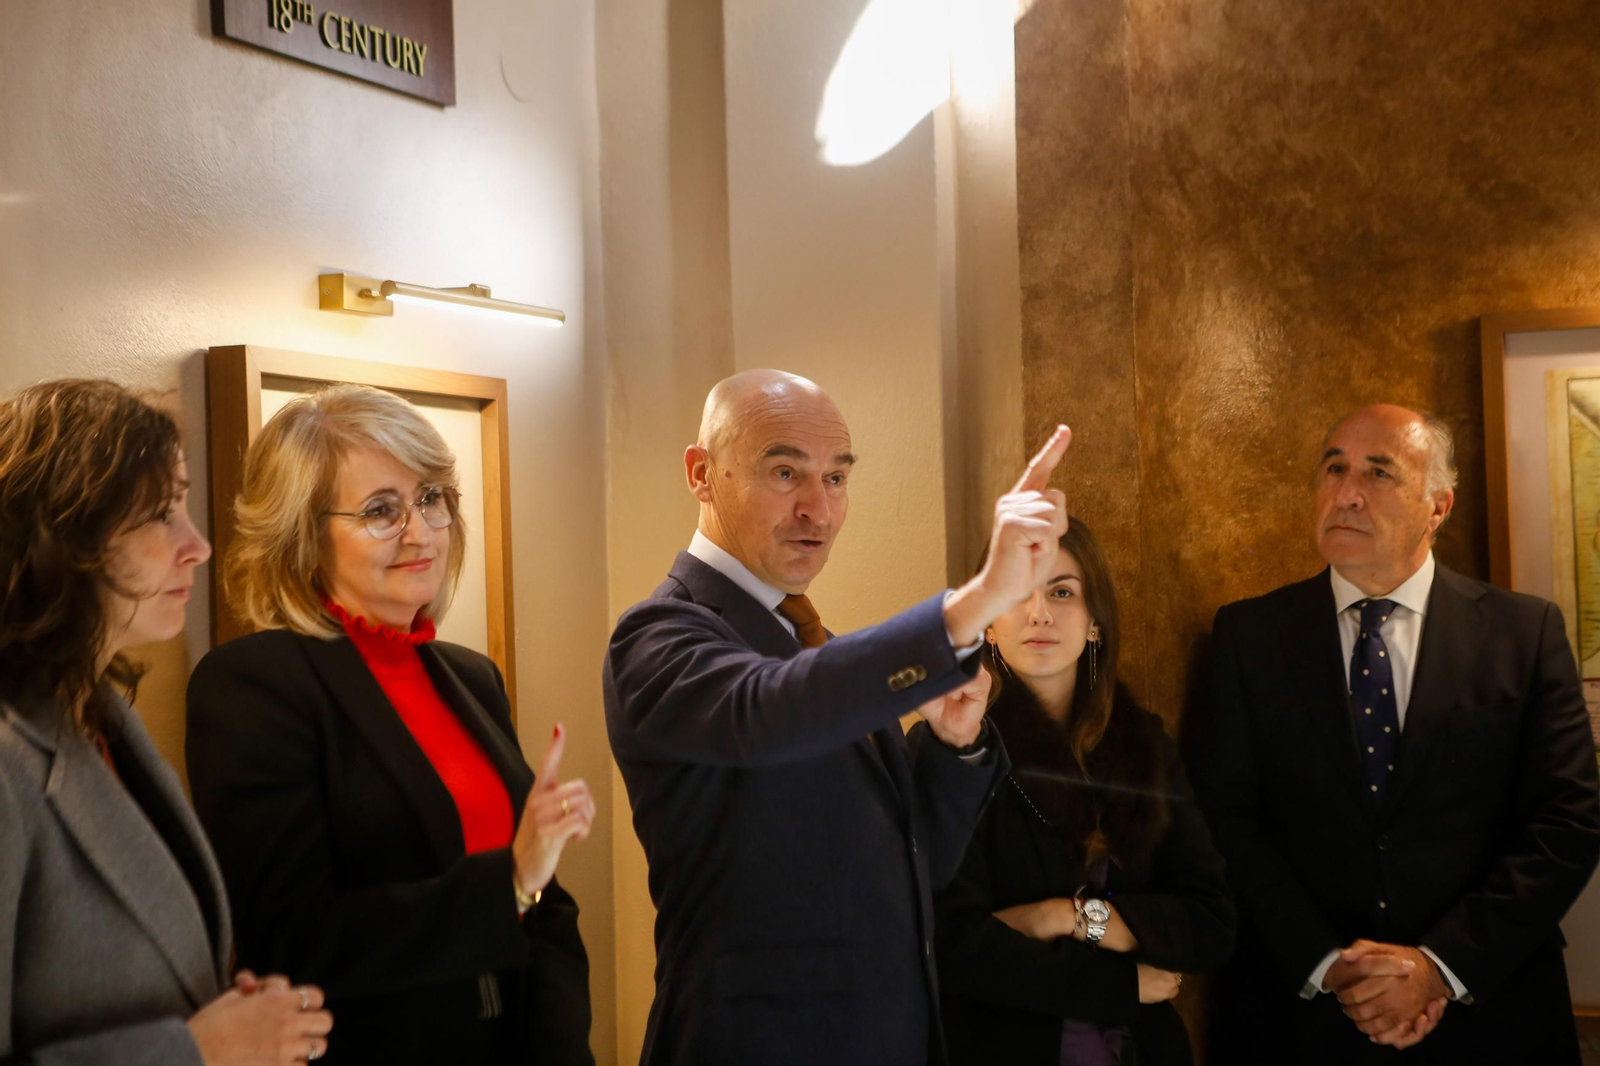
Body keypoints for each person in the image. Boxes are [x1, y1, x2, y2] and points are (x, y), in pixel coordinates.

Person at [604, 368, 1076, 1066]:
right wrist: (972, 606)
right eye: (786, 472)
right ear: (703, 474)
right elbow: (766, 708)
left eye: (836, 478)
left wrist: (954, 745)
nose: (817, 512)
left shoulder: (813, 644)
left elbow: (913, 865)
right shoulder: (658, 636)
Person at [186, 384, 594, 1065]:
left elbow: (546, 904)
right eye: (381, 510)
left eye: (431, 499)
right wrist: (510, 884)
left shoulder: (470, 677)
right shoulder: (254, 685)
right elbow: (293, 940)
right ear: (302, 534)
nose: (420, 532)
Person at [1183, 404, 1600, 1063]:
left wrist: (1439, 966)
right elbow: (1221, 820)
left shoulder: (1523, 634)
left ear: (1438, 506)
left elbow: (1568, 823)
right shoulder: (1248, 636)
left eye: (1379, 473)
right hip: (1301, 1017)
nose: (1345, 493)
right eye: (1334, 468)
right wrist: (1329, 965)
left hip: (1489, 1013)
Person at [0, 378, 333, 1065]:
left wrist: (227, 1016)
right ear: (63, 538)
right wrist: (193, 1049)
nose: (198, 545)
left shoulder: (105, 719)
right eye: (160, 513)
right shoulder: (7, 759)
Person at [935, 518, 1234, 1065]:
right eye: (1018, 591)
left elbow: (1211, 923)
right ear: (990, 624)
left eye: (1063, 592)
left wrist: (1065, 917)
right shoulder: (955, 746)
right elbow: (954, 946)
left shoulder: (1146, 745)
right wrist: (1121, 982)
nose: (1039, 612)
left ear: (1095, 621)